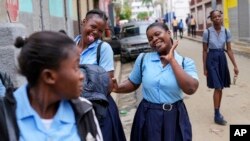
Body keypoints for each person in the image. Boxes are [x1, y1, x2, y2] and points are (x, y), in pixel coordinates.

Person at [0, 31, 103, 141]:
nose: (82, 76)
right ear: (49, 76)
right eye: (75, 68)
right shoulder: (4, 114)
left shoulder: (83, 109)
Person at [112, 22, 199, 141]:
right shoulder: (143, 59)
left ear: (168, 33)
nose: (154, 39)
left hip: (174, 116)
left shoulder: (185, 62)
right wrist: (117, 88)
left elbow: (191, 89)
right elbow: (133, 83)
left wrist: (172, 60)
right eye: (150, 38)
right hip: (148, 115)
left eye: (157, 34)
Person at [74, 9, 126, 141]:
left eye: (100, 30)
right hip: (76, 109)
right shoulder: (70, 45)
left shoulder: (103, 49)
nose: (95, 32)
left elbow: (108, 85)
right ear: (84, 22)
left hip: (99, 110)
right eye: (93, 26)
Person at [202, 10, 239, 125]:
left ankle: (217, 111)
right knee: (217, 87)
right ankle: (217, 114)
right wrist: (205, 67)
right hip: (211, 59)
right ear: (211, 19)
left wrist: (235, 65)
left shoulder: (226, 31)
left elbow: (229, 49)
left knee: (220, 87)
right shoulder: (207, 32)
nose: (217, 18)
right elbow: (204, 50)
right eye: (215, 17)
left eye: (219, 16)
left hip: (222, 59)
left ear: (221, 18)